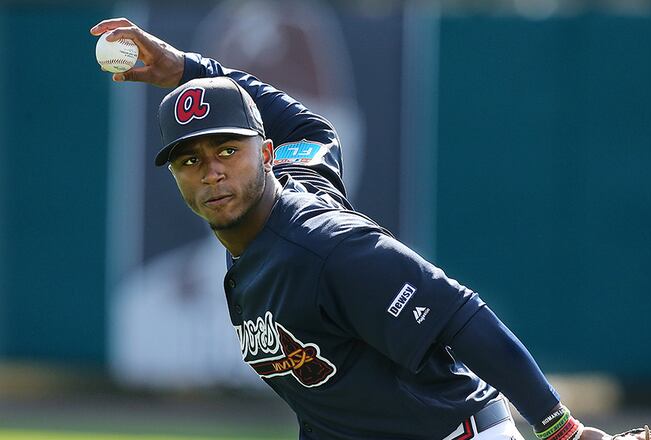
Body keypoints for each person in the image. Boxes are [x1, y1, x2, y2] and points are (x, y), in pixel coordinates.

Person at [90, 18, 611, 440]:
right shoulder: (287, 185)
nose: (213, 171)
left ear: (265, 154)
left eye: (229, 150)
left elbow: (460, 315)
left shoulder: (328, 245)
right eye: (190, 160)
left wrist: (560, 431)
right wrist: (185, 68)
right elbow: (312, 129)